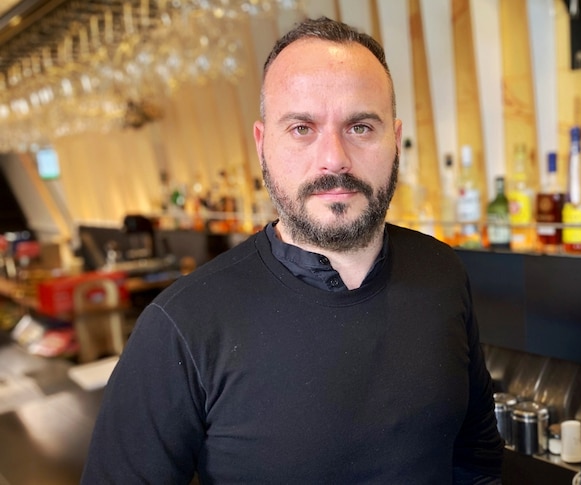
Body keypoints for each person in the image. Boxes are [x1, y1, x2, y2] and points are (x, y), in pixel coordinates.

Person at [81, 16, 504, 484]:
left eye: (361, 126)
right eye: (302, 128)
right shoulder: (181, 327)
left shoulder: (442, 271)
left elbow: (476, 455)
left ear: (395, 139)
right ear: (263, 144)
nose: (334, 158)